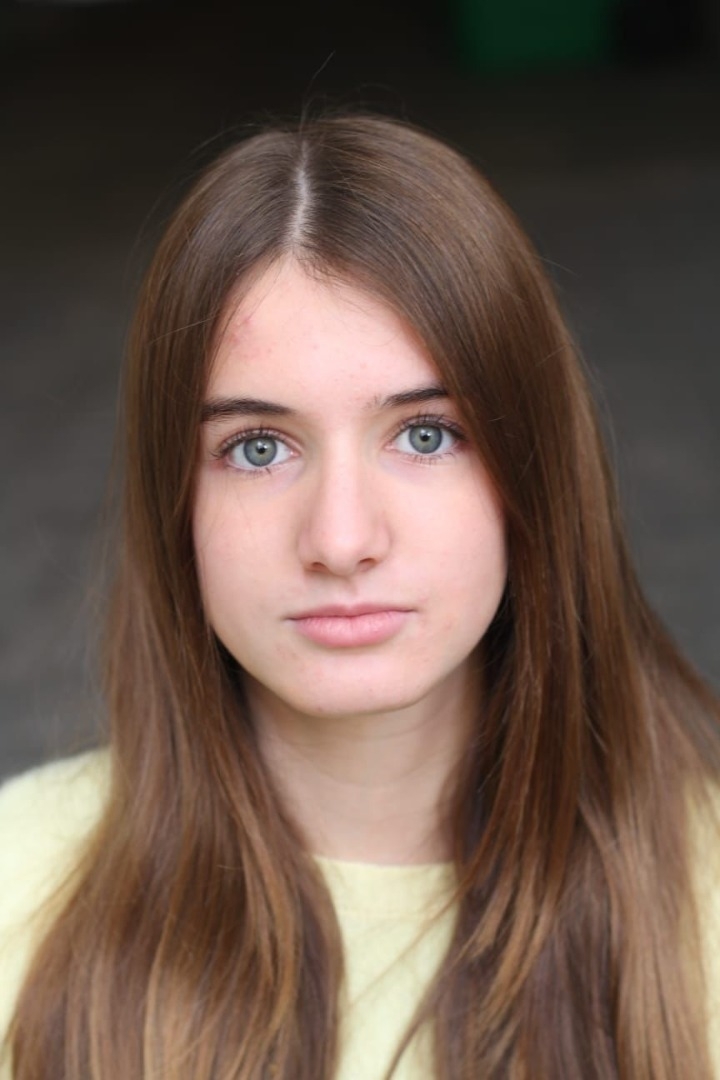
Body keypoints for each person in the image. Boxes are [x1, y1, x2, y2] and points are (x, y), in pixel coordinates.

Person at [0, 113, 719, 1080]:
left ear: (535, 472)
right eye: (258, 448)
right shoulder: (17, 882)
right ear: (176, 503)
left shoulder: (706, 891)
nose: (341, 541)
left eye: (425, 435)